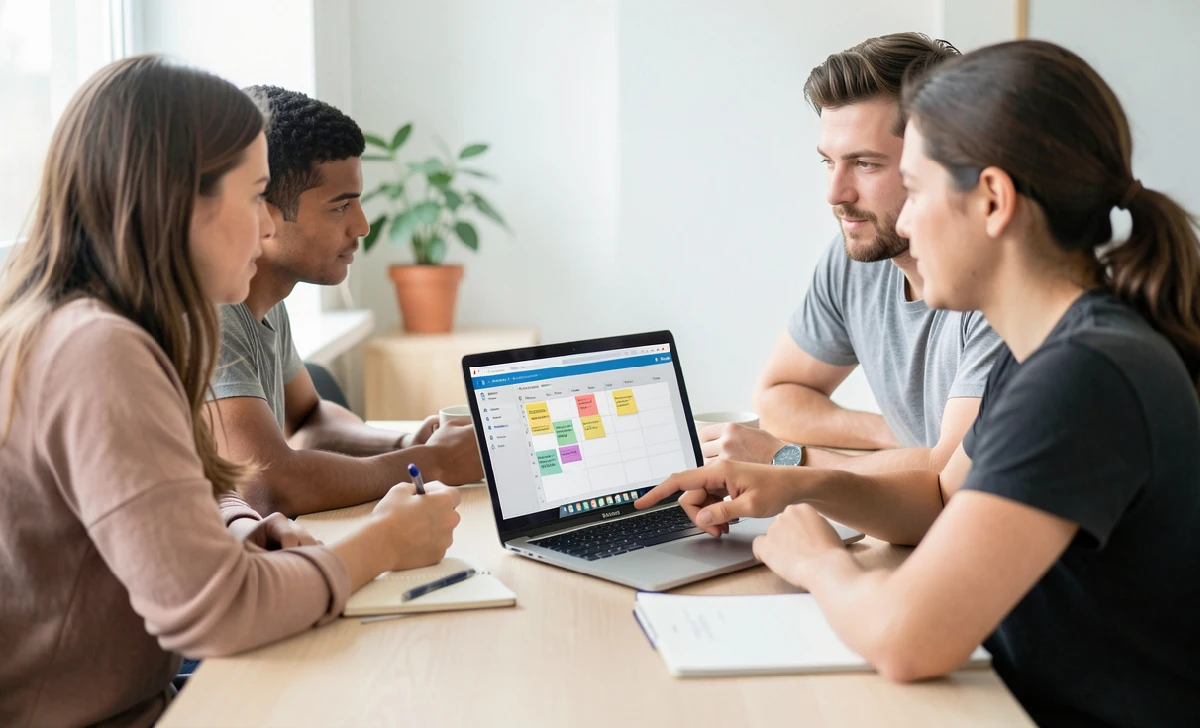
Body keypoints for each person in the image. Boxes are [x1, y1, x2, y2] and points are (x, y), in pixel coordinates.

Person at [638, 40, 1200, 725]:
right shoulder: (1050, 353)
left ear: (993, 200)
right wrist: (794, 482)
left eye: (917, 188)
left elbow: (907, 639)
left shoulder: (1082, 378)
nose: (902, 222)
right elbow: (940, 497)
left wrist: (818, 562)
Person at [0, 56, 460, 727]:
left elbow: (179, 481)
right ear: (181, 203)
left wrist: (239, 524)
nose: (263, 224)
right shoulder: (98, 352)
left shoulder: (106, 326)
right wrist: (383, 542)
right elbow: (219, 611)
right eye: (253, 196)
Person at [705, 33, 1003, 475]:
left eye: (866, 164)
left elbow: (947, 484)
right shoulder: (856, 255)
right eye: (828, 161)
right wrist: (899, 436)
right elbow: (777, 397)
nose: (834, 193)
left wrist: (783, 458)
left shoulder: (1000, 286)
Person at [207, 85, 482, 518]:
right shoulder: (215, 311)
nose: (363, 226)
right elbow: (270, 485)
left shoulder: (266, 298)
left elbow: (309, 421)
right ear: (264, 211)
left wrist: (405, 444)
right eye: (340, 208)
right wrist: (433, 463)